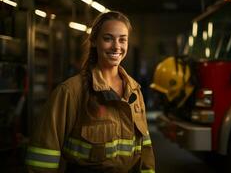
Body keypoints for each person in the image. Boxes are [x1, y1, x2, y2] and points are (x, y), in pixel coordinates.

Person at [25, 11, 155, 173]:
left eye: (122, 39)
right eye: (108, 38)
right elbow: (43, 155)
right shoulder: (70, 92)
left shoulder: (134, 91)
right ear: (94, 41)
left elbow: (145, 146)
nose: (116, 46)